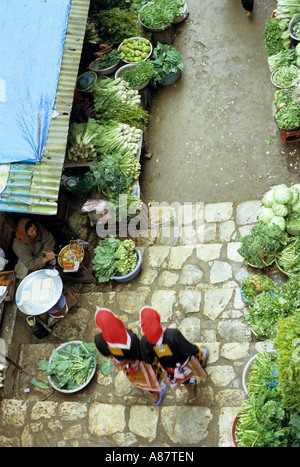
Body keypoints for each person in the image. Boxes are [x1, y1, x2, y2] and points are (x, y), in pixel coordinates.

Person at [94, 308, 166, 406]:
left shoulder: (98, 340)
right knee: (149, 379)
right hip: (140, 363)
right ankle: (155, 395)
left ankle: (151, 392)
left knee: (137, 379)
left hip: (125, 365)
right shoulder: (130, 337)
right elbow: (140, 352)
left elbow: (109, 356)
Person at [139, 306, 208, 398]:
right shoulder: (173, 334)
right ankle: (191, 385)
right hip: (185, 363)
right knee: (194, 363)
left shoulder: (144, 341)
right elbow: (189, 349)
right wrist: (196, 350)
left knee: (182, 379)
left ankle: (190, 389)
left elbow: (149, 360)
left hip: (170, 368)